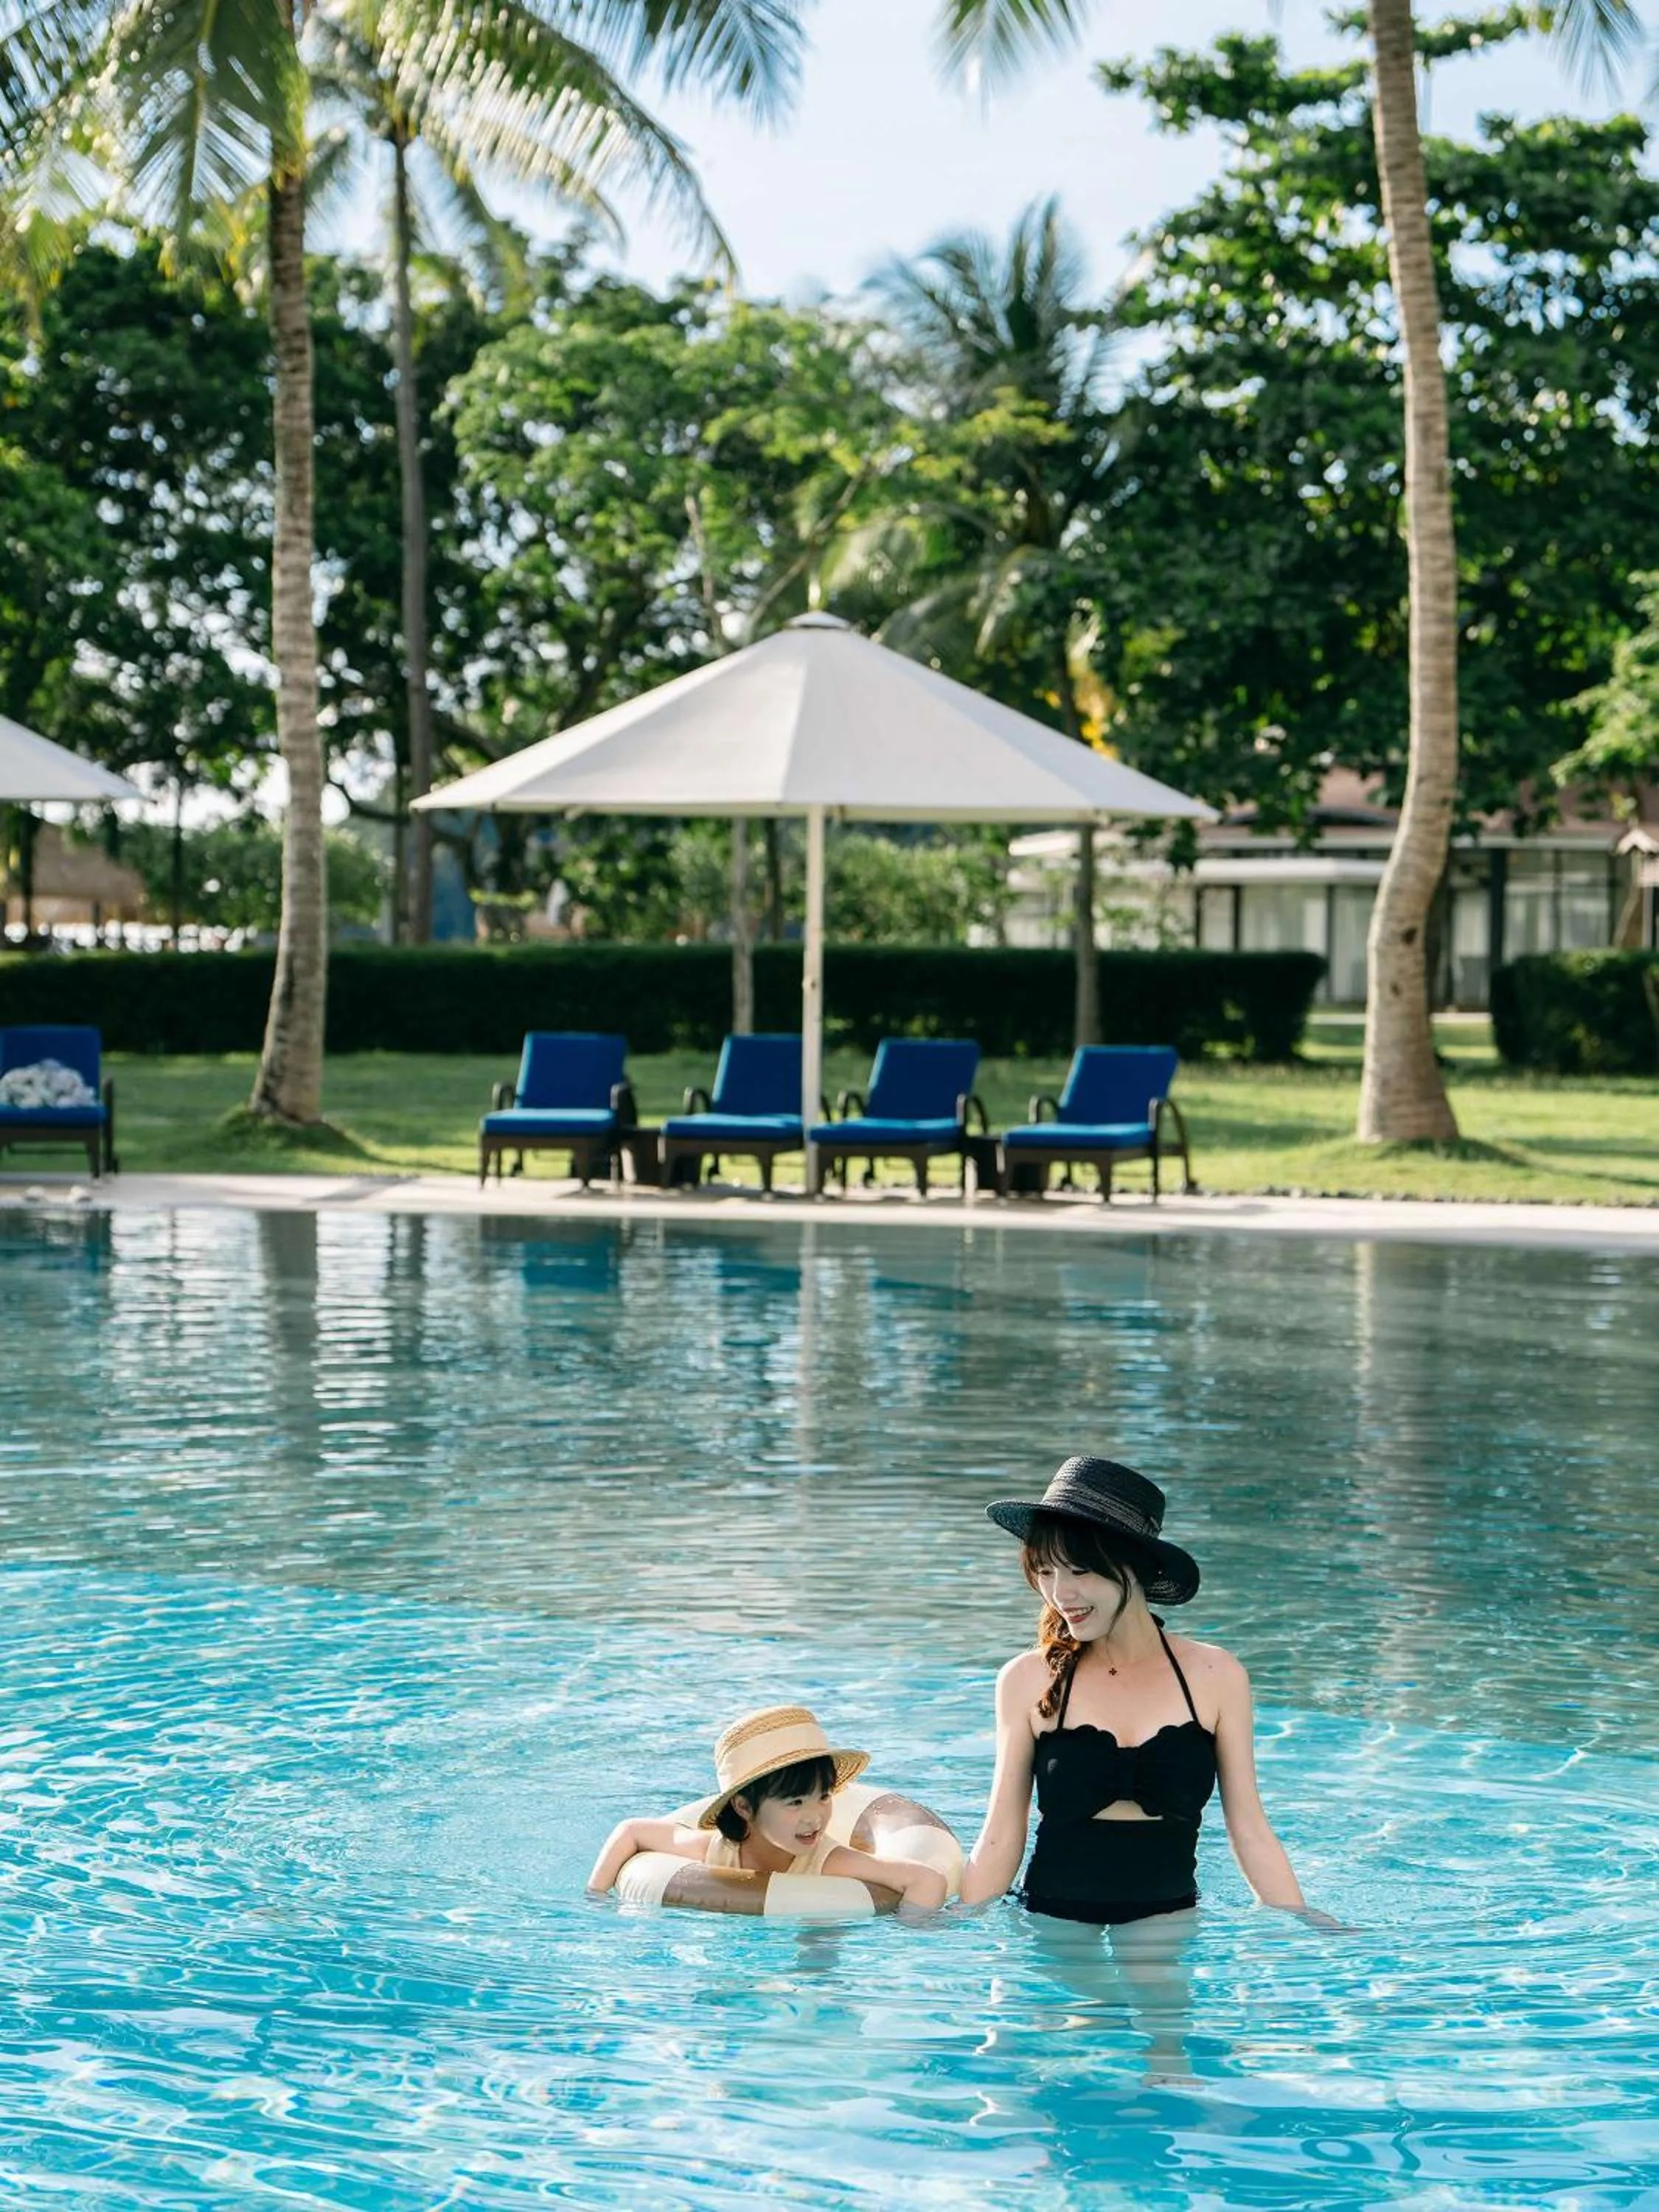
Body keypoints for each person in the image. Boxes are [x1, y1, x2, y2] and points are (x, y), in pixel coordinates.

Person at [961, 1454, 1320, 1927]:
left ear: (1132, 1567)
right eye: (1045, 1572)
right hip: (1051, 1916)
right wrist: (959, 1921)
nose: (1060, 1594)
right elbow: (1002, 1831)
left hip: (1169, 1915)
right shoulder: (1029, 1678)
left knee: (1164, 2002)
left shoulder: (1215, 1674)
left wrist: (1305, 1918)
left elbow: (1249, 1828)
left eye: (1080, 1571)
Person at [586, 1704, 950, 1910]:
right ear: (744, 1807)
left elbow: (925, 1878)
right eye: (795, 1802)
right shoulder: (712, 1849)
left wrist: (910, 1938)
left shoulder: (831, 1861)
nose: (815, 1816)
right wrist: (596, 1899)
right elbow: (631, 1830)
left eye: (823, 1797)